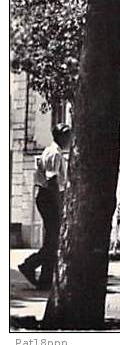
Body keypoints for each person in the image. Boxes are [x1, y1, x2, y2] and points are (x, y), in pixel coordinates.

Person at [19, 123, 71, 289]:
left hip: (48, 197)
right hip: (49, 197)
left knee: (52, 240)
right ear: (61, 137)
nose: (70, 139)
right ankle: (29, 265)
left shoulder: (56, 152)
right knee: (53, 240)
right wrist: (59, 203)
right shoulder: (54, 153)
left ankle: (45, 280)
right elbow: (52, 180)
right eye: (68, 136)